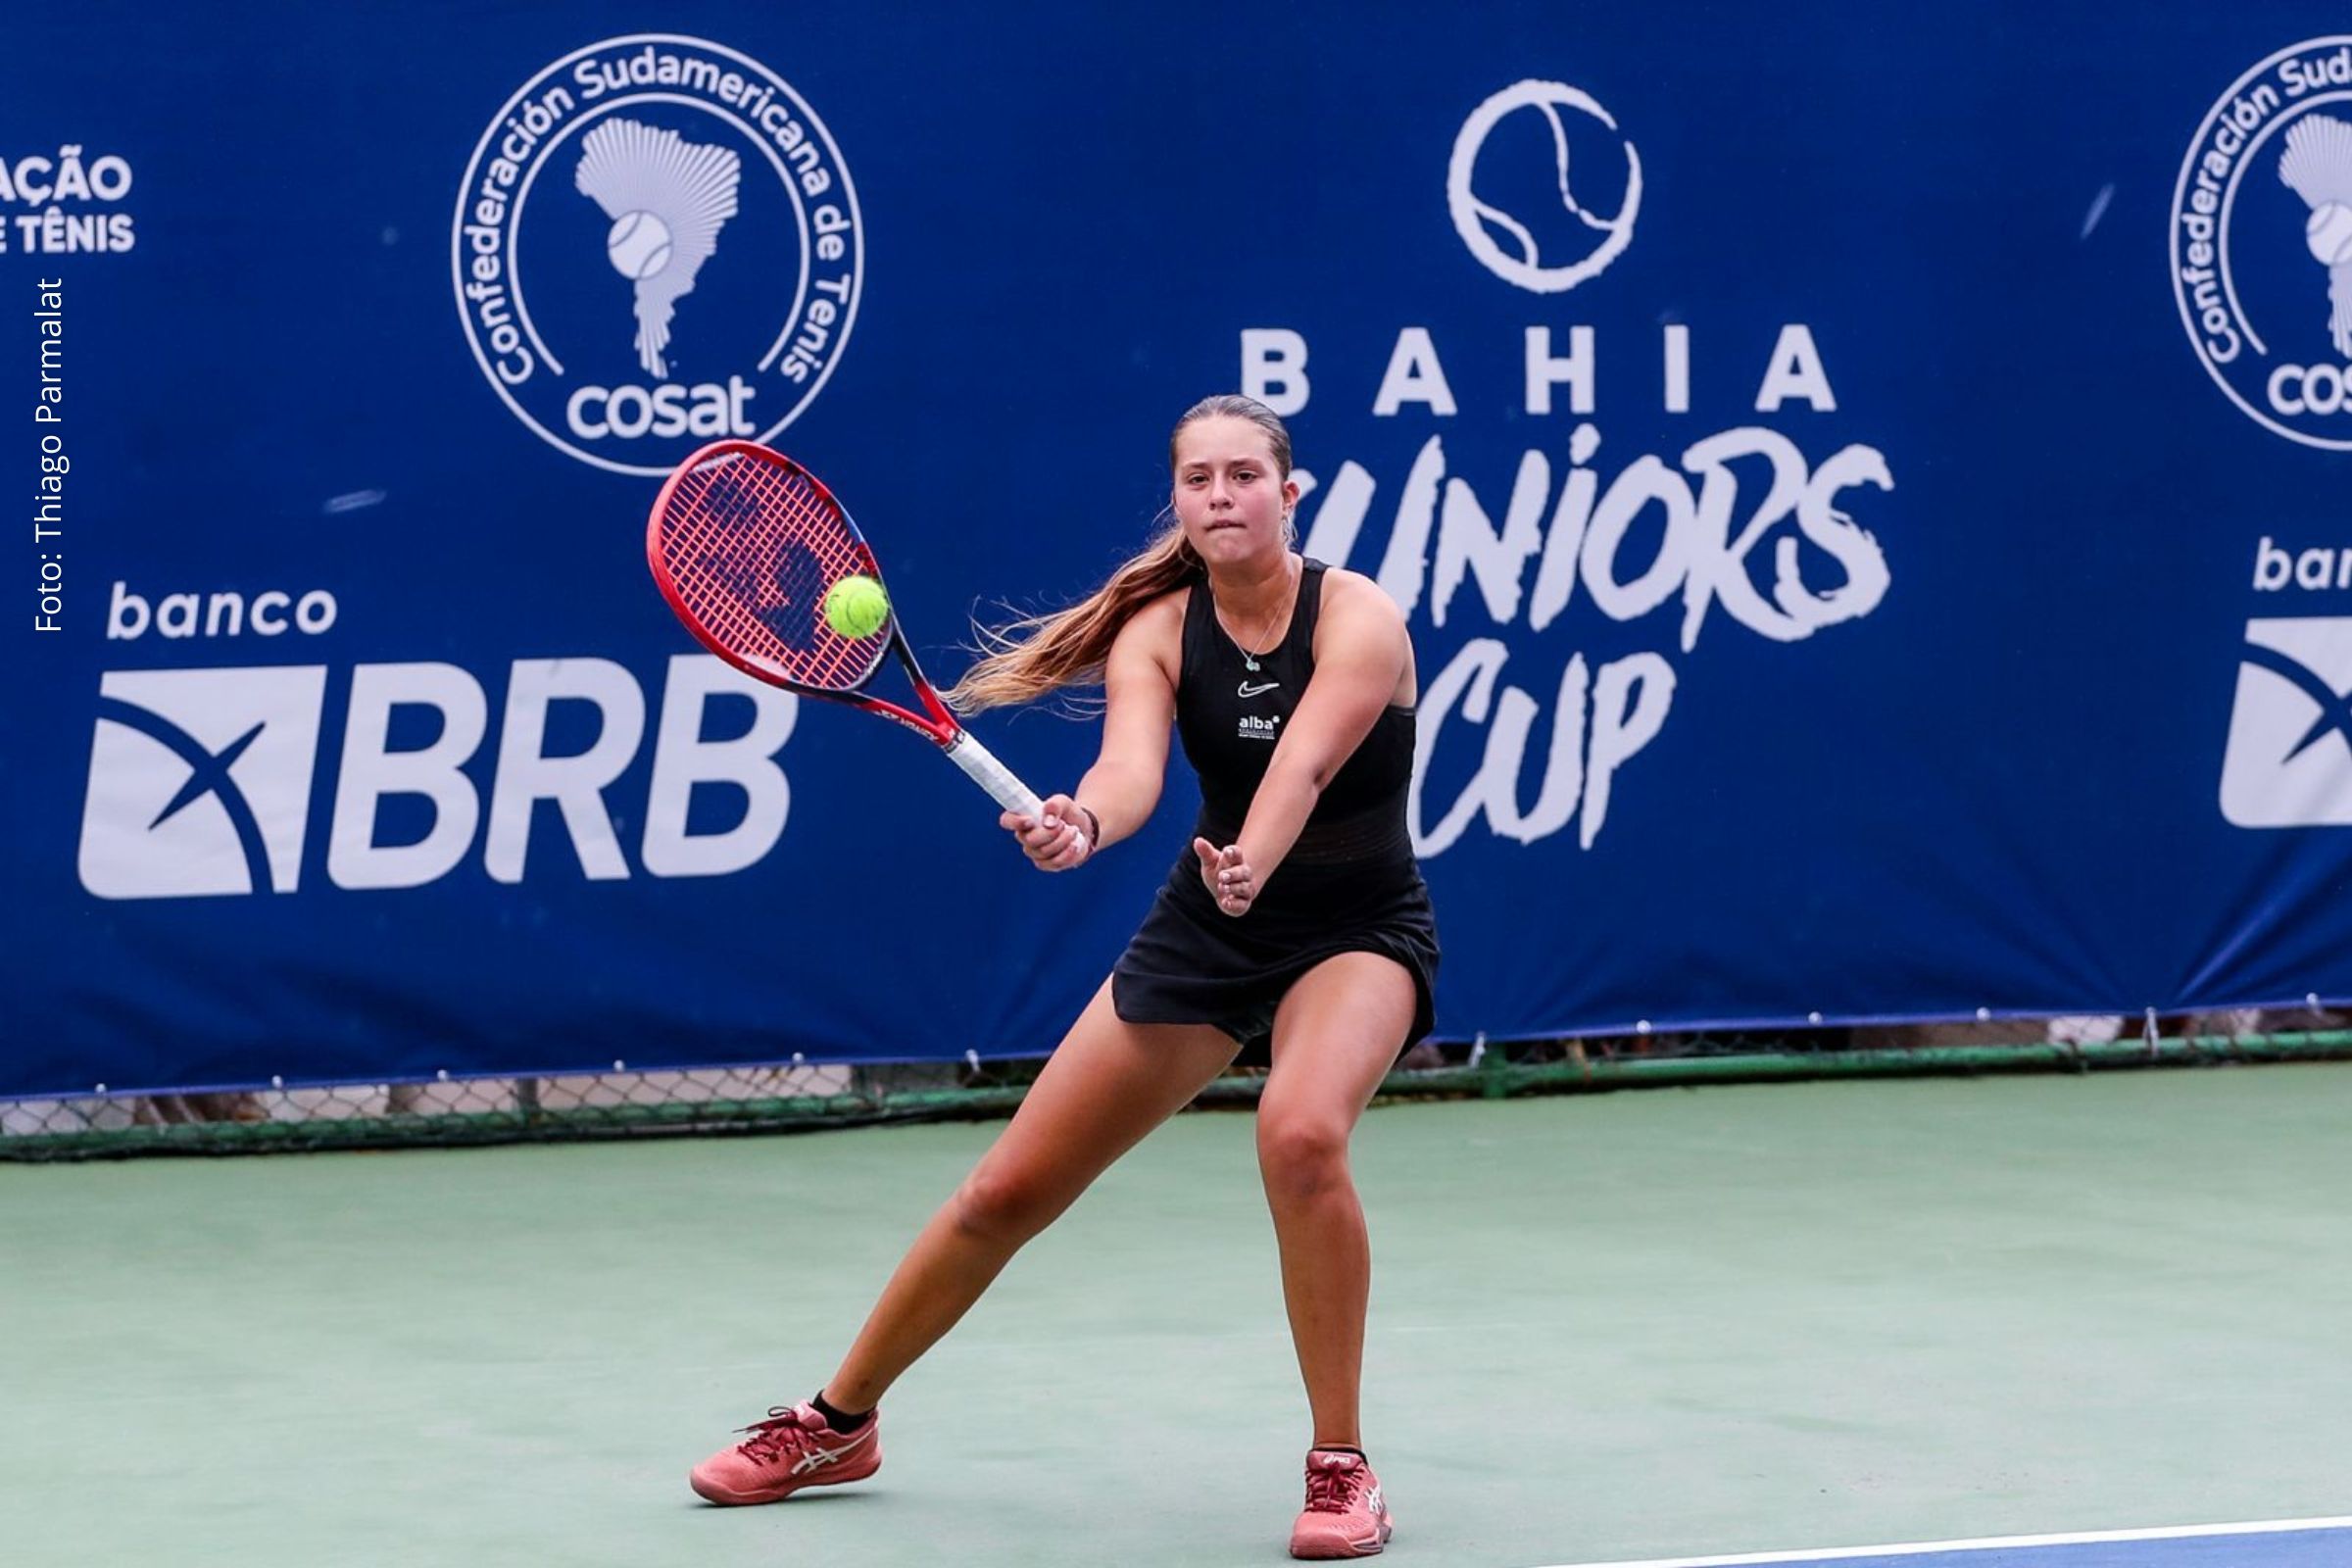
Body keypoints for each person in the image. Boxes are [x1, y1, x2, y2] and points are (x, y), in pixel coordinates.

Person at [688, 394, 1440, 1559]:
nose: (1222, 495)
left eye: (1245, 475)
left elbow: (1302, 765)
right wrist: (1082, 823)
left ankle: (1341, 1467)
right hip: (1210, 927)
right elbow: (1129, 771)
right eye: (1199, 478)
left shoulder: (1360, 615)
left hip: (1357, 928)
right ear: (1177, 500)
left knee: (1299, 1135)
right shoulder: (1158, 629)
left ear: (1290, 495)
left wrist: (1256, 859)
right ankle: (838, 1422)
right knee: (1005, 1190)